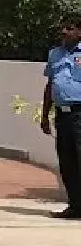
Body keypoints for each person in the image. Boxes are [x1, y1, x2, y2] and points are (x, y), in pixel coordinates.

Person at [43, 14, 81, 219]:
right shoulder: (54, 54)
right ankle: (75, 206)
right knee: (67, 163)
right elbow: (50, 85)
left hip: (80, 114)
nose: (64, 32)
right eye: (62, 28)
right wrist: (44, 115)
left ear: (79, 31)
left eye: (69, 28)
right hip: (62, 116)